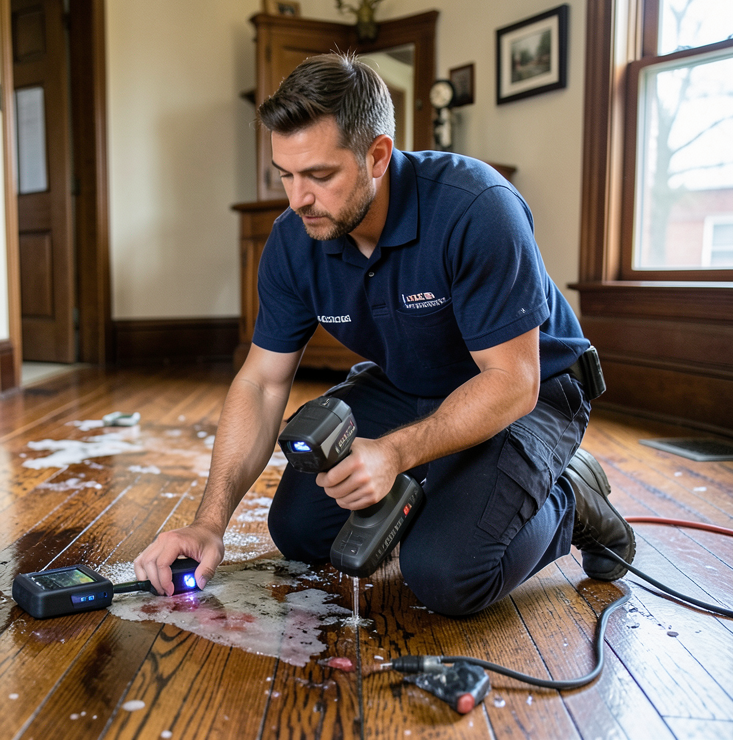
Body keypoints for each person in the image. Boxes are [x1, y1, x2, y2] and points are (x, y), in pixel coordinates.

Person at [134, 52, 636, 616]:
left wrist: (394, 452)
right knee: (299, 530)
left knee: (447, 576)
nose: (298, 198)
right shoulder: (294, 240)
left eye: (320, 176)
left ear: (377, 155)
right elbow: (261, 383)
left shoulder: (477, 208)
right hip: (410, 383)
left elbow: (513, 382)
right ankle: (447, 486)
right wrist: (209, 524)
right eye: (286, 175)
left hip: (530, 390)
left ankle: (573, 496)